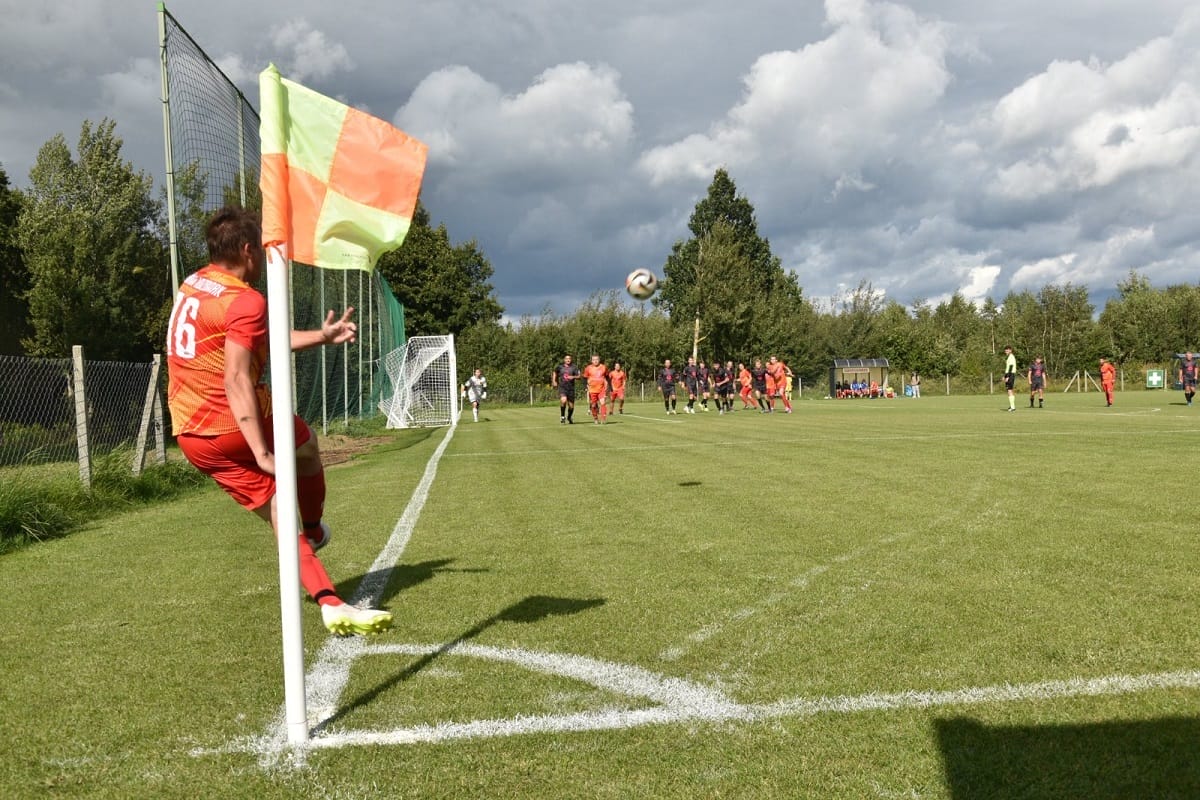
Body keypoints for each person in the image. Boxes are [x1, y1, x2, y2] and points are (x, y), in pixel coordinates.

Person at [165, 207, 392, 637]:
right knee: (304, 443)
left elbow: (257, 339)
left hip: (192, 435)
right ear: (249, 250)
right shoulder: (246, 299)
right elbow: (235, 377)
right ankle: (313, 528)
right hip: (233, 421)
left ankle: (328, 600)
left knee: (277, 509)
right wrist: (261, 451)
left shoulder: (194, 284)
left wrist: (320, 336)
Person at [552, 354, 580, 424]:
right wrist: (554, 381)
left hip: (571, 389)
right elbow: (555, 372)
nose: (568, 360)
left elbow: (579, 376)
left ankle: (569, 417)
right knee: (563, 400)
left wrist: (573, 377)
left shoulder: (574, 367)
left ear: (571, 359)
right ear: (564, 360)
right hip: (562, 387)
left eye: (569, 358)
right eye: (566, 358)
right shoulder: (560, 367)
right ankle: (562, 416)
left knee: (571, 406)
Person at [582, 354, 609, 424]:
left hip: (601, 389)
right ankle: (595, 418)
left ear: (599, 360)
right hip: (592, 390)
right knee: (593, 405)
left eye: (597, 359)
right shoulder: (588, 368)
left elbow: (607, 376)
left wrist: (610, 387)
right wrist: (585, 386)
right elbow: (584, 378)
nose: (595, 361)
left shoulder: (603, 367)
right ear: (591, 361)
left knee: (603, 402)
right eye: (594, 360)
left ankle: (603, 418)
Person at [1003, 345, 1017, 411]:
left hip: (1011, 375)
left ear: (1010, 350)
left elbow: (1011, 367)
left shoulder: (1011, 357)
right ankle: (1012, 406)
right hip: (1009, 374)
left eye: (1007, 350)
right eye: (1005, 350)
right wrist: (1004, 376)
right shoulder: (1009, 357)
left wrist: (1008, 376)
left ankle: (1013, 407)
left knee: (1009, 390)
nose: (1006, 351)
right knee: (1009, 390)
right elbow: (1007, 368)